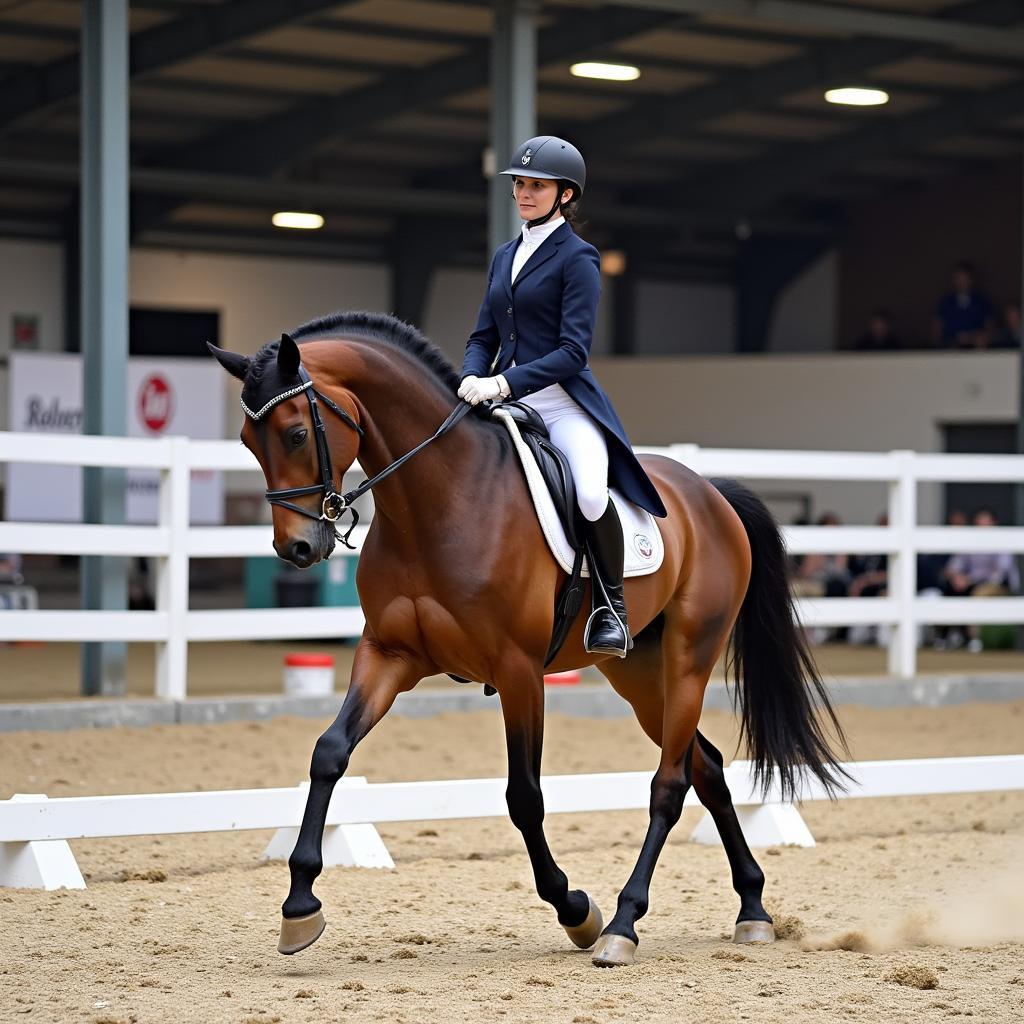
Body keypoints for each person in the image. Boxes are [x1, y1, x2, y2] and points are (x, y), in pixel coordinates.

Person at [458, 135, 667, 658]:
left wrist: (502, 382)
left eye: (537, 186)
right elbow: (484, 334)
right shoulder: (505, 255)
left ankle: (612, 608)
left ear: (565, 195)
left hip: (560, 404)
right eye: (520, 185)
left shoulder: (579, 258)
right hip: (507, 404)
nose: (525, 194)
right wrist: (469, 374)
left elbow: (574, 351)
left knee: (591, 494)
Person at [931, 261, 994, 349]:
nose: (962, 282)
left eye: (965, 278)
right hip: (949, 352)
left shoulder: (982, 302)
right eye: (959, 278)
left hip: (976, 351)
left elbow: (990, 328)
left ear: (971, 279)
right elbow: (936, 331)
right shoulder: (946, 303)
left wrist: (975, 337)